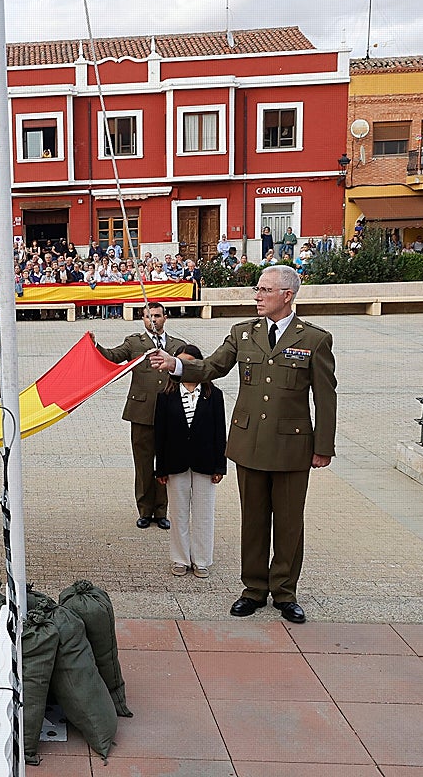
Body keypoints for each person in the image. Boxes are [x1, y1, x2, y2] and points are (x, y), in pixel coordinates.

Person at [149, 265, 336, 624]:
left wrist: (323, 446)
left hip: (292, 448)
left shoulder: (314, 339)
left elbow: (326, 396)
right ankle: (253, 589)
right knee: (253, 521)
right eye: (257, 289)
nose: (258, 296)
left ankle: (285, 592)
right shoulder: (243, 333)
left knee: (289, 524)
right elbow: (212, 368)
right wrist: (175, 365)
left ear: (287, 295)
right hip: (249, 443)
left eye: (265, 290)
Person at [95, 301, 188, 529]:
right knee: (144, 464)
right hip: (141, 413)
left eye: (157, 316)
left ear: (165, 318)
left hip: (170, 413)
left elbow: (190, 369)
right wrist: (95, 345)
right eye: (148, 316)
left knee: (165, 463)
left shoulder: (178, 345)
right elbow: (113, 356)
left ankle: (161, 511)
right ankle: (145, 510)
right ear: (143, 319)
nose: (153, 320)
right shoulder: (135, 342)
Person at [154, 344, 226, 579]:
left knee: (204, 513)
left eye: (190, 363)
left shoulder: (214, 395)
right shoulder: (165, 395)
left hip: (205, 463)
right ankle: (180, 558)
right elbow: (160, 434)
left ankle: (202, 559)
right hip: (175, 463)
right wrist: (160, 468)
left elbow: (220, 432)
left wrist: (220, 466)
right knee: (179, 513)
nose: (185, 367)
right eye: (180, 362)